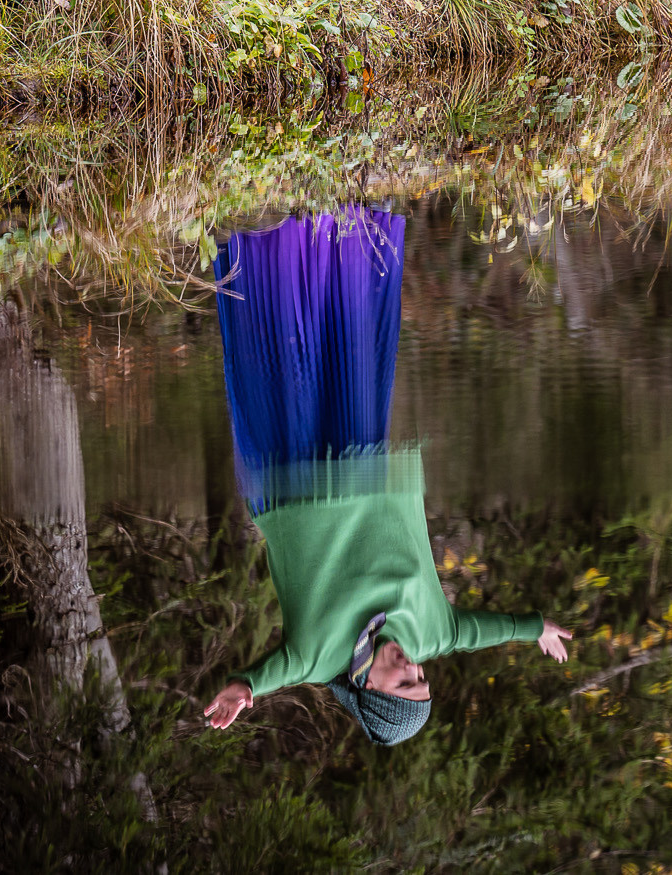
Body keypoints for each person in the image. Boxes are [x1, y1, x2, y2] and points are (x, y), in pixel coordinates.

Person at [198, 208, 571, 746]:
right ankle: (338, 222)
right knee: (350, 344)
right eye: (423, 678)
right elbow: (472, 634)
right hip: (362, 470)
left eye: (406, 683)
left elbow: (276, 674)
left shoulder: (320, 657)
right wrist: (533, 627)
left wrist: (244, 687)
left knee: (284, 353)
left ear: (369, 687)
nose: (416, 668)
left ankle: (262, 230)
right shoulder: (430, 632)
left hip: (293, 484)